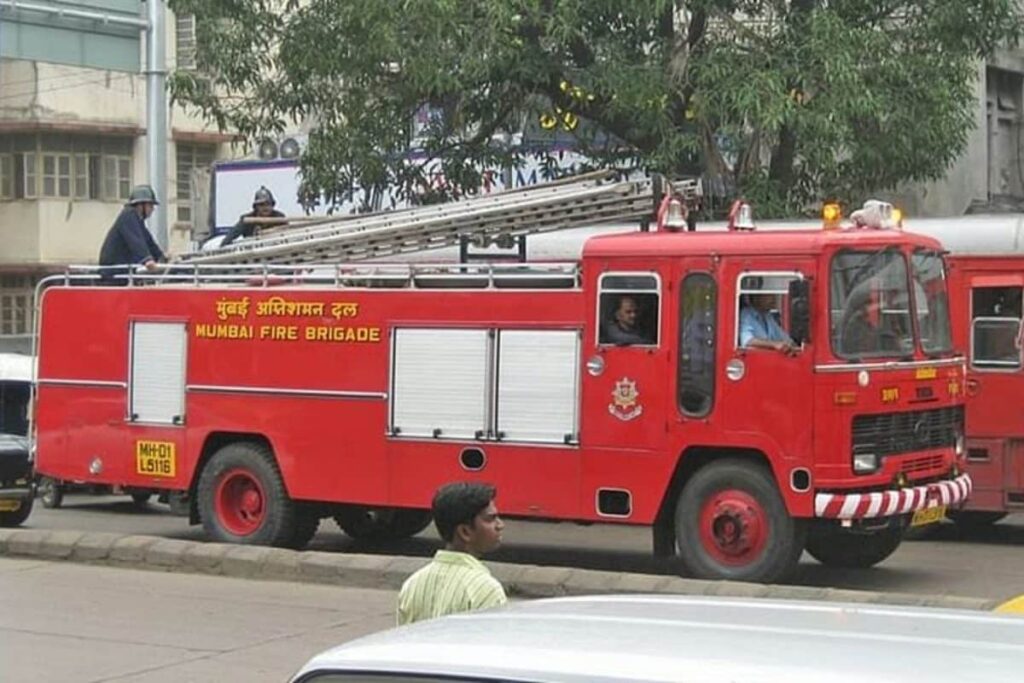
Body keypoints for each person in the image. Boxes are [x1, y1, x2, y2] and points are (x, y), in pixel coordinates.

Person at [397, 482, 507, 625]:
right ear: (465, 532)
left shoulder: (412, 585)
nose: (500, 525)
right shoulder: (486, 590)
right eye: (490, 519)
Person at [98, 184, 165, 285]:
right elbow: (136, 241)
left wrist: (161, 257)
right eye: (150, 205)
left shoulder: (137, 220)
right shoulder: (128, 216)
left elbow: (148, 241)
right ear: (141, 205)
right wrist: (147, 260)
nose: (152, 209)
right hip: (113, 275)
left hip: (122, 273)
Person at [220, 186, 288, 247]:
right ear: (256, 207)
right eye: (261, 205)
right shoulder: (247, 220)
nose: (265, 207)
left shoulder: (280, 218)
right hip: (252, 252)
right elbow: (231, 236)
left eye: (268, 204)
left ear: (272, 205)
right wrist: (223, 246)